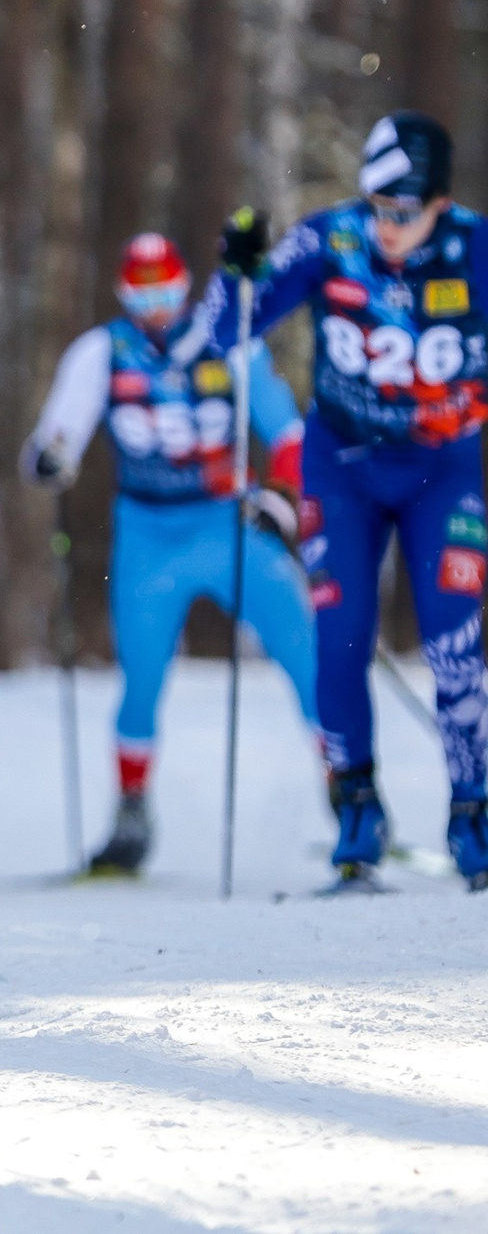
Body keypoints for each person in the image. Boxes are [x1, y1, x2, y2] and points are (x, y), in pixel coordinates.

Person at [209, 112, 488, 889]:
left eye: (403, 209)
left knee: (452, 643)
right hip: (344, 468)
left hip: (444, 471)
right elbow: (217, 331)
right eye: (377, 205)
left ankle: (474, 812)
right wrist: (235, 272)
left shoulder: (478, 248)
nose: (386, 225)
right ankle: (358, 811)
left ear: (439, 201)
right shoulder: (330, 239)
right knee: (339, 637)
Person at [21, 234, 320, 876]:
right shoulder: (103, 351)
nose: (155, 307)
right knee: (142, 680)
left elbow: (290, 434)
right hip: (149, 539)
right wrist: (53, 458)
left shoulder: (232, 340)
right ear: (124, 295)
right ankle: (131, 815)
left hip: (229, 528)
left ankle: (350, 794)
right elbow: (56, 435)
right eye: (141, 294)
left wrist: (282, 500)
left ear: (185, 287)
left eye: (166, 291)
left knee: (307, 654)